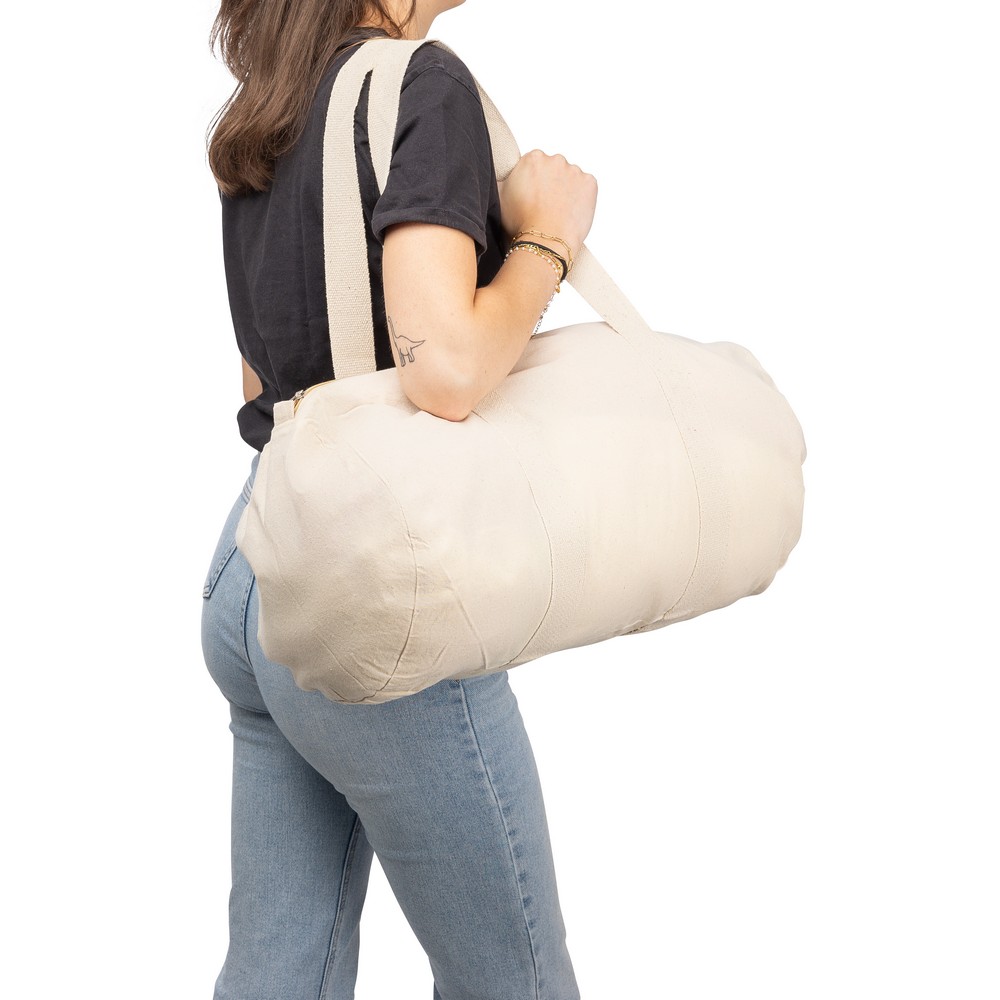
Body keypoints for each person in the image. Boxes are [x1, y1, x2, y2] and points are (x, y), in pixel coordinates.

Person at [202, 1, 597, 996]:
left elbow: (260, 382)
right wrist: (547, 243)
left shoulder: (270, 102)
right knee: (515, 981)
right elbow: (446, 370)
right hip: (376, 590)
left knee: (278, 971)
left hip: (255, 561)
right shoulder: (421, 83)